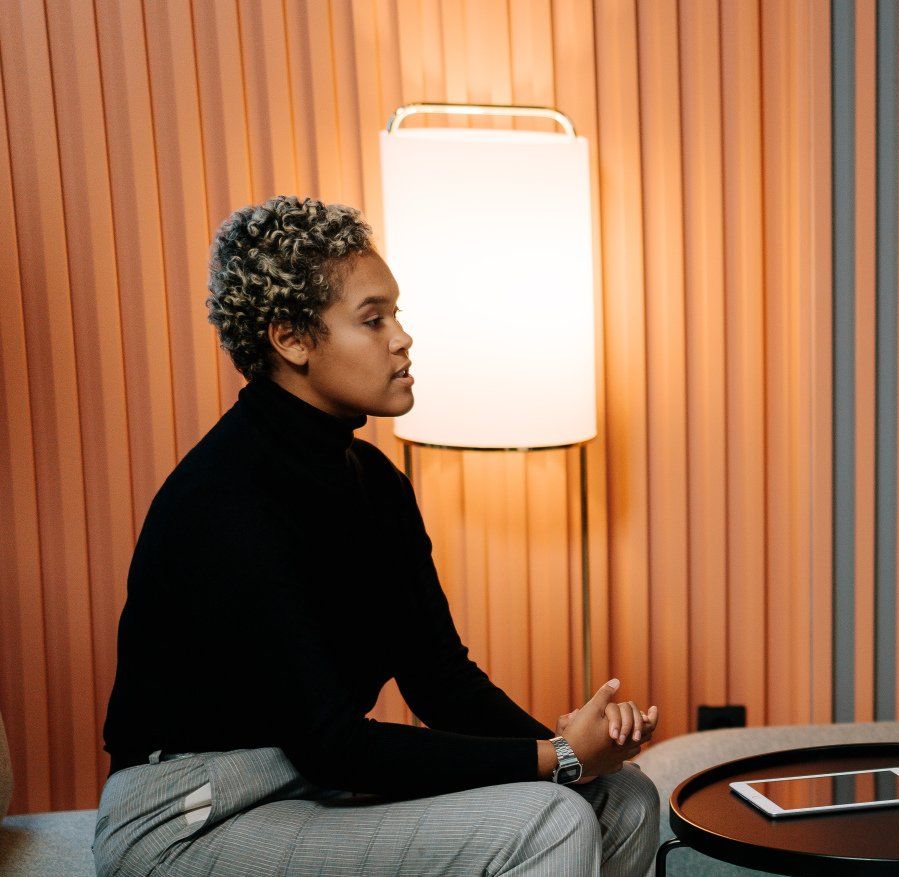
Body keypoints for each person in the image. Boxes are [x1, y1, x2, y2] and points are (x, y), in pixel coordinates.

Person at [94, 195, 662, 876]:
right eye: (373, 319)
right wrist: (556, 759)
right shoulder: (226, 497)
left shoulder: (372, 481)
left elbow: (441, 680)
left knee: (620, 796)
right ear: (292, 338)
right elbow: (332, 741)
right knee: (550, 814)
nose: (402, 337)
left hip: (306, 783)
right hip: (190, 815)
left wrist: (575, 748)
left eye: (395, 313)